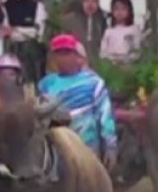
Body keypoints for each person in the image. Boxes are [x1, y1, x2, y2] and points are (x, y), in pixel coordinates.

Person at [38, 34, 116, 166]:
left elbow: (105, 116)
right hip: (57, 150)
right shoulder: (46, 84)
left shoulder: (93, 82)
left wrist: (110, 147)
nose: (63, 58)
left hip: (88, 148)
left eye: (67, 53)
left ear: (76, 55)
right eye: (59, 53)